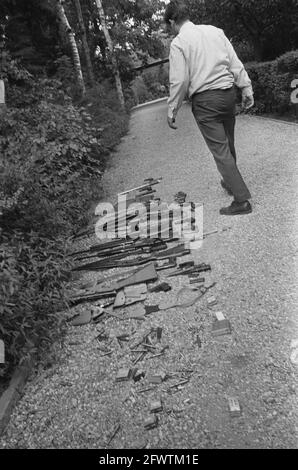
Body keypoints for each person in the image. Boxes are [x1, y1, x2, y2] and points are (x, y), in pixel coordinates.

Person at [164, 0, 254, 215]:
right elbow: (234, 61)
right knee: (228, 143)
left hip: (206, 102)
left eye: (168, 26)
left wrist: (172, 108)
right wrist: (246, 87)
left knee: (220, 151)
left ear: (172, 21)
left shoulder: (179, 43)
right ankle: (230, 181)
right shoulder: (215, 32)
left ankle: (241, 201)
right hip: (227, 95)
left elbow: (180, 80)